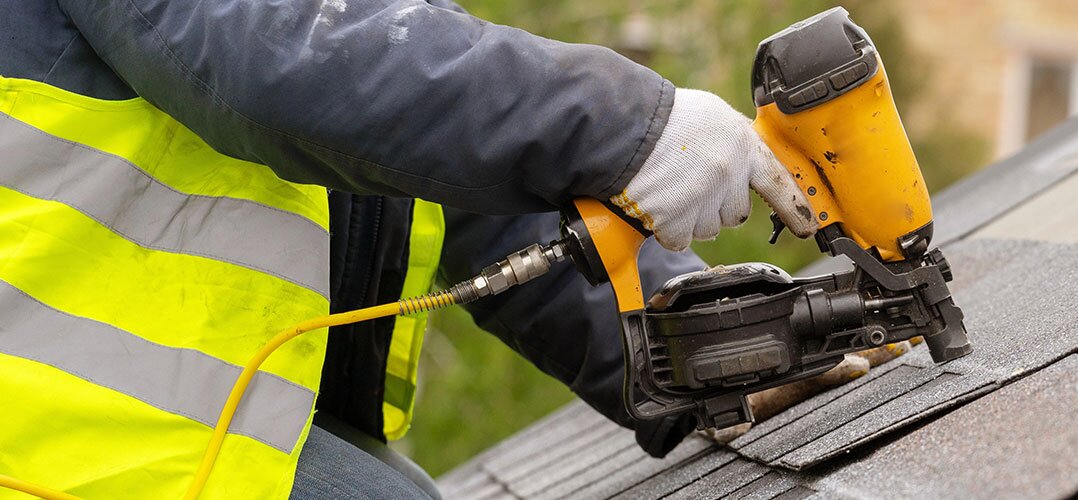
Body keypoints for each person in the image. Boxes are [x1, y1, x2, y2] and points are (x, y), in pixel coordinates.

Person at [0, 0, 883, 498]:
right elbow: (279, 61)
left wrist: (693, 343)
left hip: (188, 431)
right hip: (60, 452)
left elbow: (459, 198)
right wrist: (624, 127)